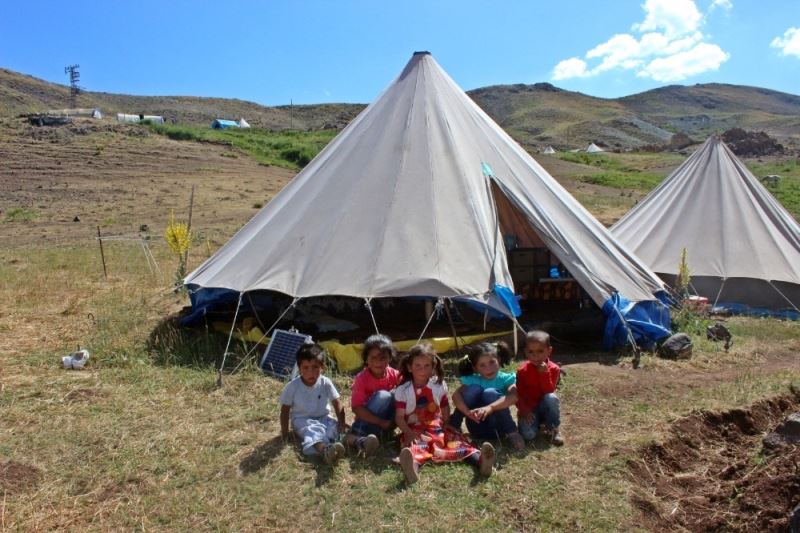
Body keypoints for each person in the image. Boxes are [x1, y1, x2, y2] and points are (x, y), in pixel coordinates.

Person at [394, 343, 495, 483]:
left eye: (427, 366)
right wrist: (408, 433)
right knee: (417, 447)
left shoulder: (438, 385)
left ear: (433, 366)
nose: (423, 370)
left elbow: (444, 406)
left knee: (456, 441)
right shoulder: (403, 390)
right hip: (414, 428)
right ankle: (412, 468)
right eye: (418, 366)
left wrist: (447, 423)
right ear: (409, 367)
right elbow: (399, 417)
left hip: (437, 426)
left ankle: (480, 461)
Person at [448, 341, 525, 450]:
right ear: (475, 368)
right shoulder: (473, 380)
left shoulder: (505, 379)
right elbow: (456, 395)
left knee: (490, 393)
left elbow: (514, 396)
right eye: (482, 365)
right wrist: (467, 412)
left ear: (498, 360)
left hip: (498, 428)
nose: (488, 368)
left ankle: (512, 432)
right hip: (476, 427)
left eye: (492, 362)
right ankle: (454, 426)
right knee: (473, 389)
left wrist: (490, 407)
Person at [279, 343, 347, 464]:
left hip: (324, 417)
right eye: (306, 368)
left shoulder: (325, 382)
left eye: (315, 367)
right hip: (302, 420)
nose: (311, 372)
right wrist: (285, 433)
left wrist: (341, 422)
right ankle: (325, 450)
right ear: (299, 368)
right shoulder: (293, 386)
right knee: (313, 431)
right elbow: (285, 411)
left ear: (322, 366)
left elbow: (337, 402)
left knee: (335, 428)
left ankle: (360, 442)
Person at [344, 334, 401, 456]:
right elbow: (357, 408)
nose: (378, 362)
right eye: (373, 358)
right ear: (366, 359)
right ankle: (360, 440)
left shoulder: (395, 375)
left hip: (386, 425)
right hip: (368, 423)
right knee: (384, 396)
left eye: (382, 358)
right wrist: (381, 422)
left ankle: (380, 436)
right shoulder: (361, 379)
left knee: (402, 392)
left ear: (390, 358)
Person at [516, 330, 563, 446]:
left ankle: (553, 428)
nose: (535, 355)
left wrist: (544, 374)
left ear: (549, 351)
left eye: (540, 351)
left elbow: (549, 391)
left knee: (551, 398)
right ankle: (536, 424)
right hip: (530, 409)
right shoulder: (522, 370)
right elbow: (518, 394)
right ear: (525, 352)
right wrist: (524, 411)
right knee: (528, 435)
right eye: (531, 352)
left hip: (545, 406)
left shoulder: (554, 369)